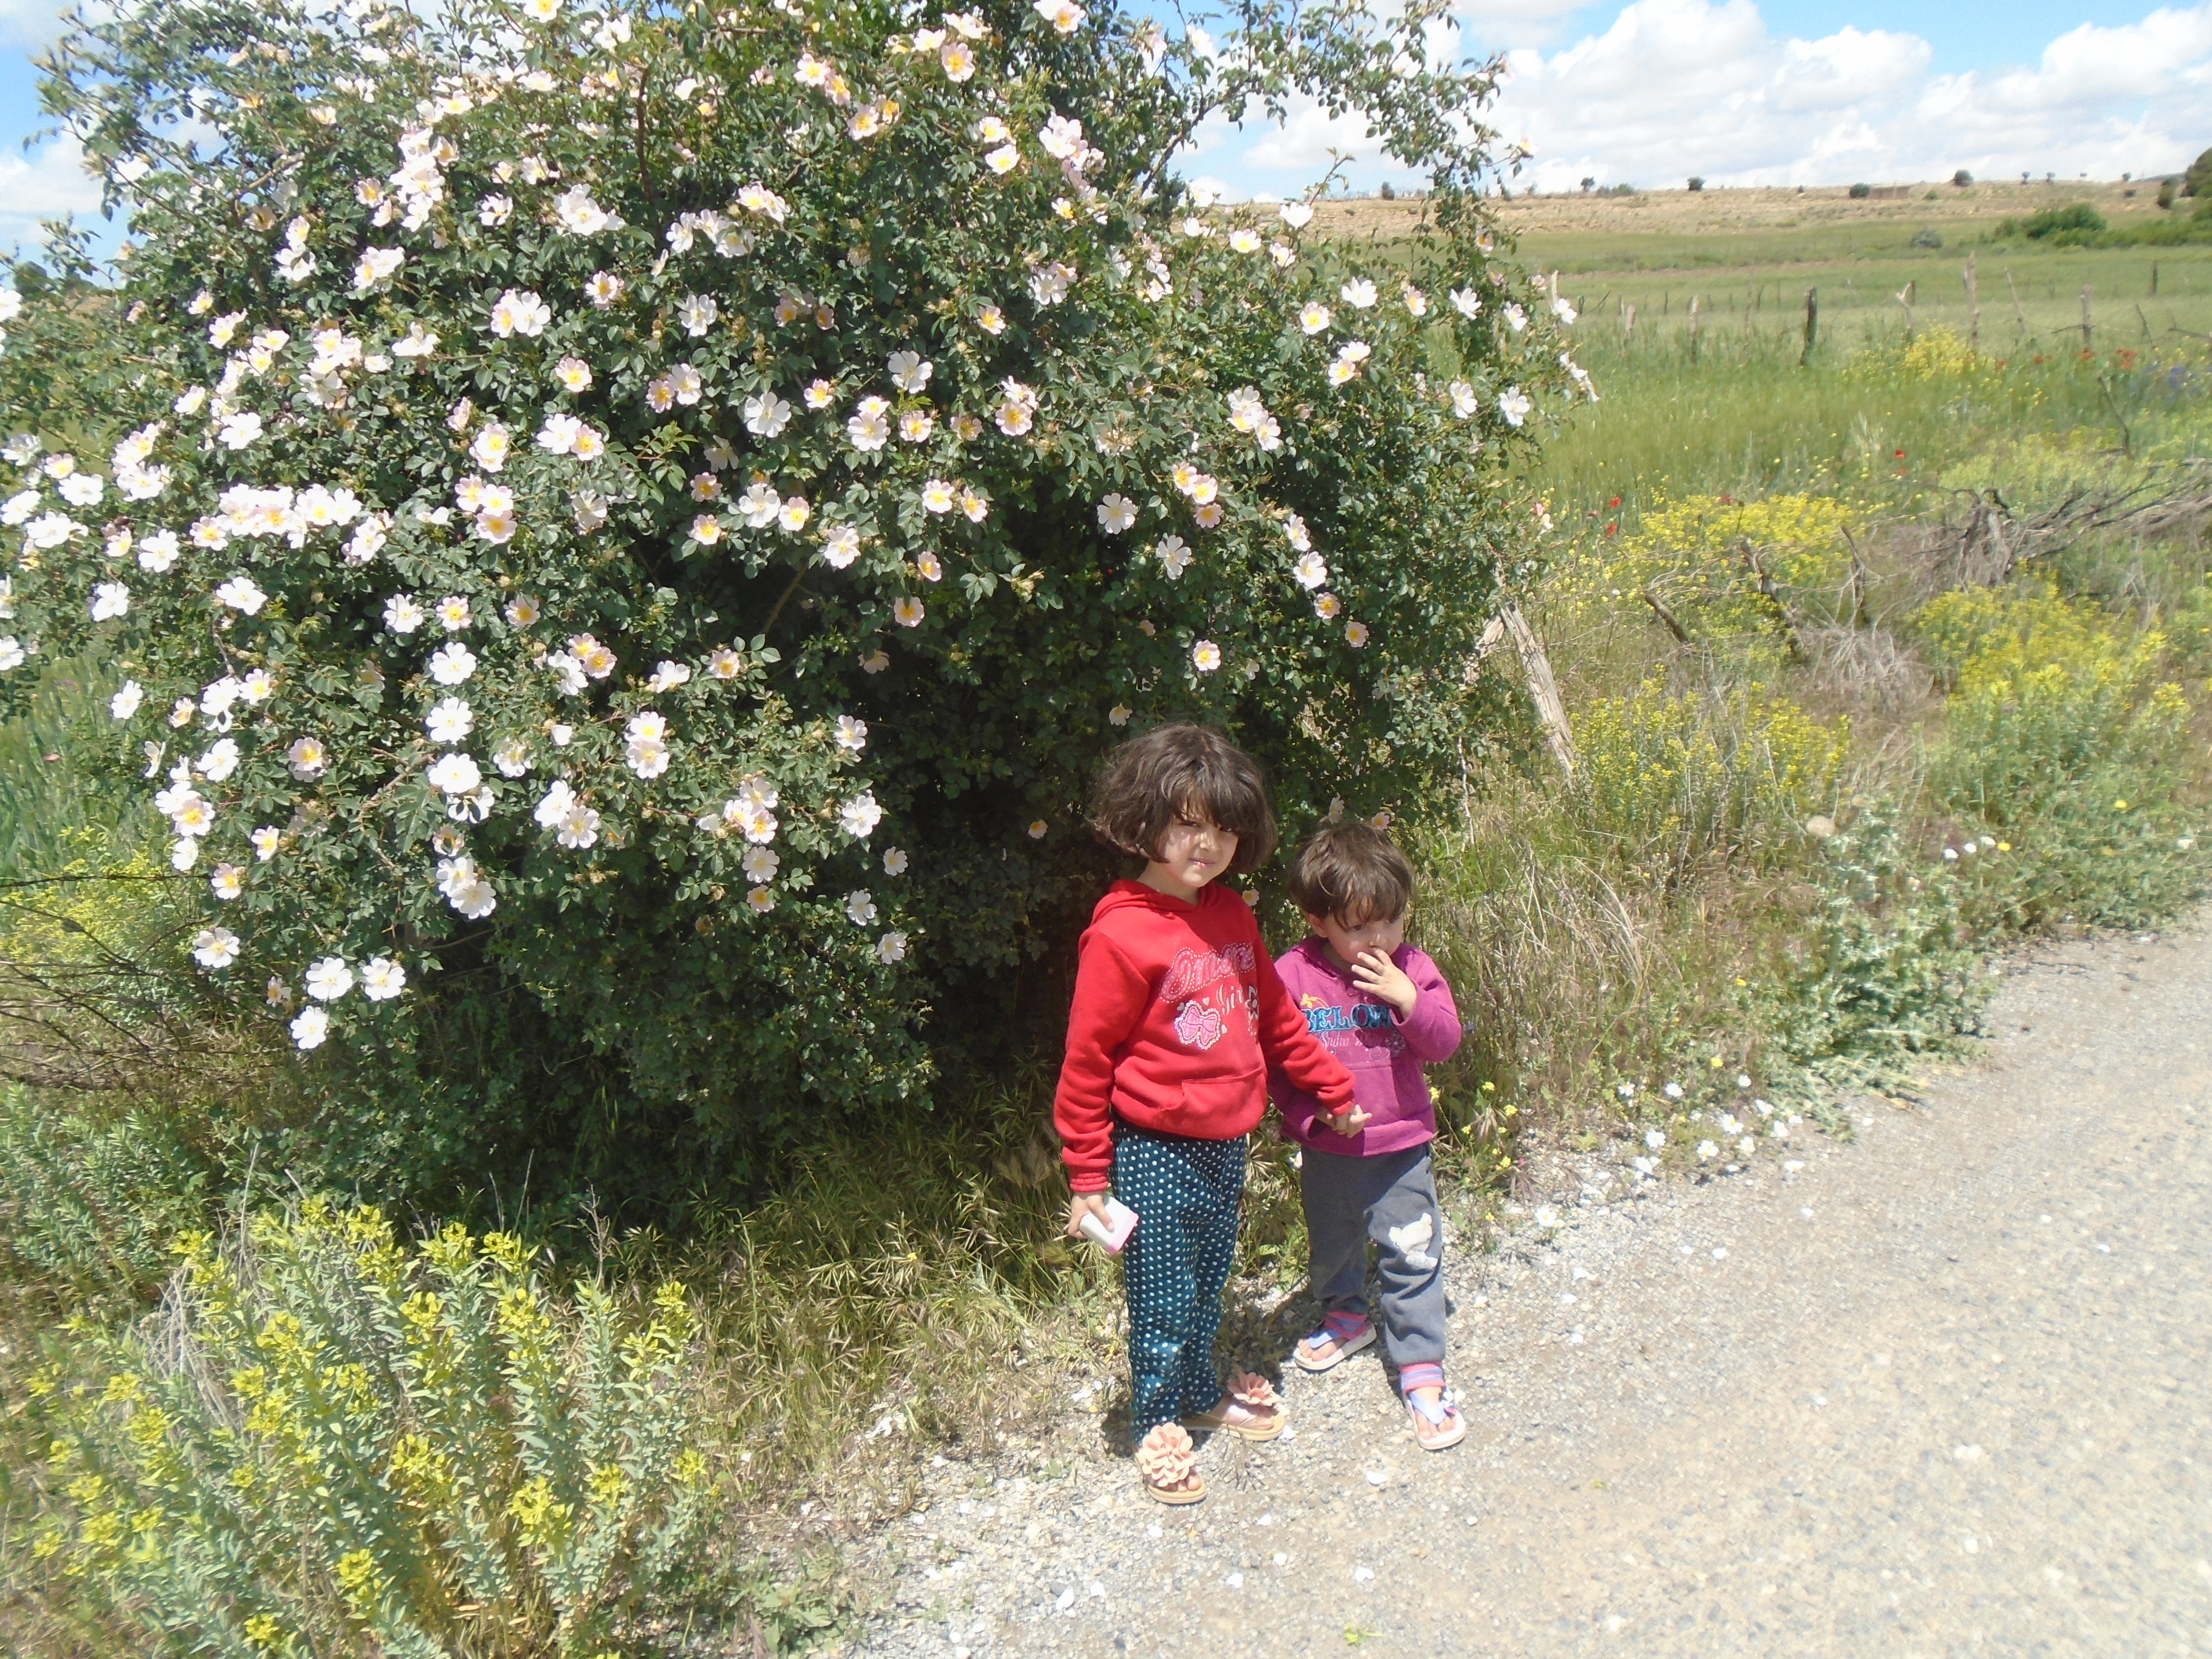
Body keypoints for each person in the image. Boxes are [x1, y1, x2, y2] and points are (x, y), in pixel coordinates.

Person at [1055, 724, 1359, 1505]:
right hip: (1153, 1152)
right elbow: (1087, 1065)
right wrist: (1089, 1176)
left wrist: (1331, 1087)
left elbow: (1279, 1020)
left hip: (1228, 1144)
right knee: (1160, 1301)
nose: (1208, 843)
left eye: (1224, 828)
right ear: (1145, 819)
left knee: (1205, 1284)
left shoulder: (1230, 916)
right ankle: (1157, 1426)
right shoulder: (1121, 935)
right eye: (1189, 822)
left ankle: (1198, 1391)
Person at [1270, 819, 1468, 1451]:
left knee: (1412, 1255)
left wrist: (1409, 998)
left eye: (1390, 920)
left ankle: (1422, 1369)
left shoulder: (1412, 967)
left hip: (1402, 1150)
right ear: (1316, 919)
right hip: (1330, 1153)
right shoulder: (1292, 977)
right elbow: (1274, 1068)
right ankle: (1348, 1318)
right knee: (1333, 1247)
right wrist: (1311, 1118)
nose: (1378, 938)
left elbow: (1444, 1043)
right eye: (1359, 926)